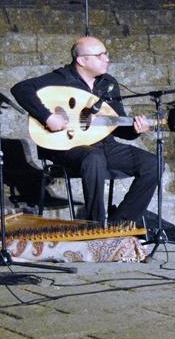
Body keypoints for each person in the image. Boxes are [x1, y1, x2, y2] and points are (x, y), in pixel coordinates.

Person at [11, 36, 157, 225]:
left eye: (106, 54)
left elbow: (119, 128)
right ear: (82, 60)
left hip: (104, 145)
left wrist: (137, 129)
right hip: (66, 147)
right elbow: (21, 89)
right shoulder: (61, 78)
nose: (106, 59)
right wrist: (47, 117)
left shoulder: (108, 84)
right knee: (93, 159)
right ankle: (95, 225)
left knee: (153, 164)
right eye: (100, 55)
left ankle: (119, 223)